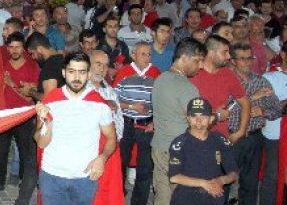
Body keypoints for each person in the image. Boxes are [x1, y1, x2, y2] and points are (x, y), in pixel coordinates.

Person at [34, 52, 117, 205]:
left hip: (84, 179)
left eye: (82, 72)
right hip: (52, 176)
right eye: (72, 71)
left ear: (89, 74)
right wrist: (47, 123)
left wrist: (102, 158)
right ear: (64, 73)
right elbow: (40, 143)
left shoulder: (99, 105)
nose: (77, 77)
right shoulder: (50, 101)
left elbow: (112, 138)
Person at [151, 38, 204, 205]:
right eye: (198, 60)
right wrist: (217, 116)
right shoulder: (187, 87)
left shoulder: (160, 79)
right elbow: (199, 123)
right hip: (181, 152)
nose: (200, 66)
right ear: (184, 58)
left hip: (160, 147)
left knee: (163, 195)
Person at [228, 42, 282, 205]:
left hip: (254, 136)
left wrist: (263, 112)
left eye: (250, 58)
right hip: (231, 135)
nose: (247, 62)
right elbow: (224, 111)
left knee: (250, 183)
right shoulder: (226, 80)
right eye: (242, 59)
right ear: (233, 60)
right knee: (224, 180)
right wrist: (251, 99)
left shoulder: (261, 81)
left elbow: (277, 110)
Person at [0, 32, 38, 204]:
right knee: (0, 151)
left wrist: (11, 85)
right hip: (4, 116)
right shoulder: (2, 65)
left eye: (18, 46)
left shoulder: (32, 68)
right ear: (7, 48)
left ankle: (25, 184)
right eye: (11, 47)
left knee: (26, 153)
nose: (15, 50)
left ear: (23, 48)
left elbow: (31, 99)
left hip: (24, 117)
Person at [112, 42, 160, 205]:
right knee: (121, 162)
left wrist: (155, 121)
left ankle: (138, 201)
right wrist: (132, 106)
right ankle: (118, 195)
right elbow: (113, 100)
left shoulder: (155, 73)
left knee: (145, 167)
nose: (147, 58)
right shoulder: (124, 73)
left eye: (149, 54)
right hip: (126, 123)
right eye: (143, 54)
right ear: (134, 55)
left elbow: (161, 101)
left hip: (146, 126)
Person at [167, 97, 238, 205]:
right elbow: (174, 177)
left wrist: (221, 181)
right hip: (187, 198)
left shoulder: (220, 140)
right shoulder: (179, 144)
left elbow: (234, 173)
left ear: (210, 119)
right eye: (194, 116)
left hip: (214, 197)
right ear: (188, 118)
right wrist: (204, 183)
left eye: (203, 116)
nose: (198, 120)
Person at [259, 39, 287, 205]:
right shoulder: (269, 77)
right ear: (283, 55)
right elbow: (268, 109)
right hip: (275, 135)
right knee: (273, 175)